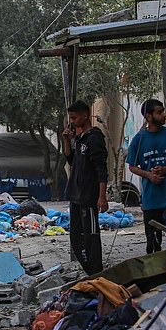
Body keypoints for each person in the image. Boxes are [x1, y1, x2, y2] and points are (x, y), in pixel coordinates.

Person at [126, 99, 166, 254]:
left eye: (163, 111)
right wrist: (148, 175)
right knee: (153, 242)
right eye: (159, 112)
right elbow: (132, 166)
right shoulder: (139, 140)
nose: (163, 115)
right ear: (148, 116)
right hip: (152, 199)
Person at [62, 101, 109, 275]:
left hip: (88, 197)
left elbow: (101, 169)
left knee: (91, 237)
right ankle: (90, 272)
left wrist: (101, 197)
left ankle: (96, 273)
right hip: (76, 196)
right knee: (76, 238)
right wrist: (67, 141)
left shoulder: (95, 138)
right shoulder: (80, 138)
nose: (72, 121)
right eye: (71, 118)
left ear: (85, 115)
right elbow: (71, 160)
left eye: (75, 117)